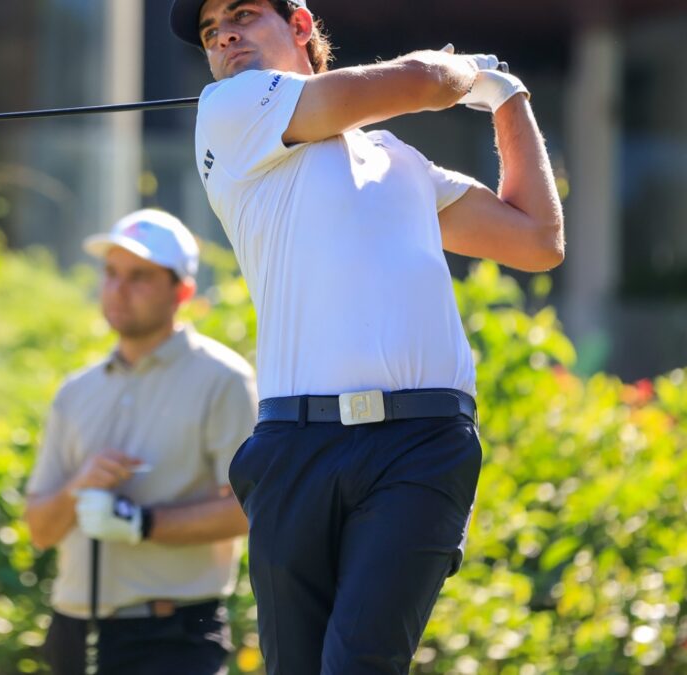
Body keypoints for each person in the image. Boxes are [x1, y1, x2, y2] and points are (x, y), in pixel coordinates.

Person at [169, 1, 565, 673]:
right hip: (295, 445)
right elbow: (419, 82)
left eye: (242, 15)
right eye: (211, 32)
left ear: (300, 25)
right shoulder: (230, 108)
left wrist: (510, 98)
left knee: (361, 663)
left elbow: (536, 239)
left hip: (422, 444)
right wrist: (462, 70)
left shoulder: (399, 161)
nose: (225, 35)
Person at [24, 209, 258, 675]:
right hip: (71, 628)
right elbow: (40, 530)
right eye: (111, 273)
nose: (117, 288)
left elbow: (252, 509)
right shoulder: (75, 391)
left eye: (139, 277)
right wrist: (78, 488)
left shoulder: (225, 380)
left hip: (172, 636)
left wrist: (141, 523)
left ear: (183, 291)